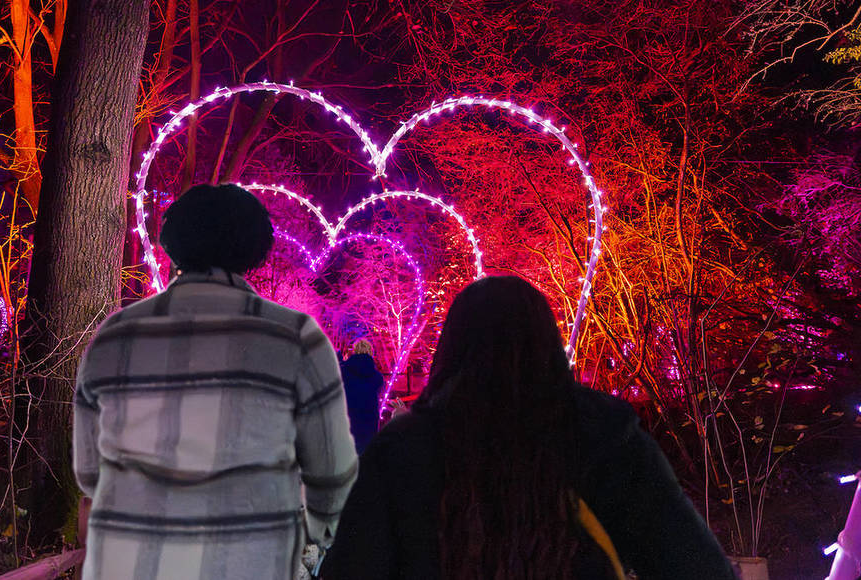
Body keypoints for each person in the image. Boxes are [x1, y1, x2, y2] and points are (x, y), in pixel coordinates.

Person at [320, 276, 737, 580]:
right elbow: (695, 564)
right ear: (550, 345)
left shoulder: (402, 452)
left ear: (450, 348)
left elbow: (355, 565)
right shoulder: (611, 442)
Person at [73, 184, 358, 580]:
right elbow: (332, 473)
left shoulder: (115, 336)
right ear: (255, 248)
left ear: (173, 243)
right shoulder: (294, 337)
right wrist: (317, 533)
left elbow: (90, 474)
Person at [339, 339, 385, 454]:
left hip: (348, 420)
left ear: (354, 351)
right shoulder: (377, 377)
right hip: (369, 422)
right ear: (370, 352)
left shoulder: (343, 371)